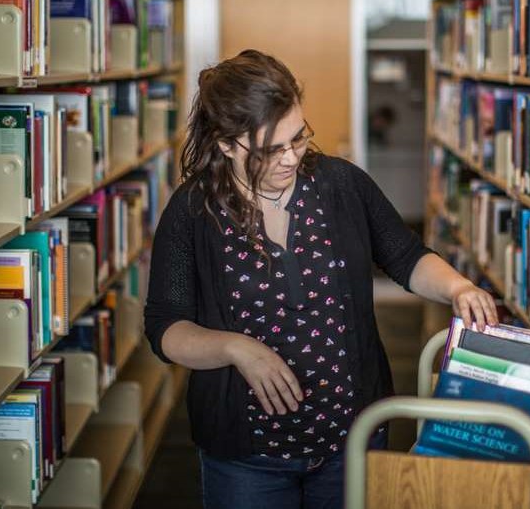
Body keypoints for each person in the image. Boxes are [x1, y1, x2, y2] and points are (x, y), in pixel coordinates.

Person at [144, 49, 498, 509]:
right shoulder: (192, 212)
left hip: (352, 439)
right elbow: (165, 327)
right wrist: (235, 348)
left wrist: (458, 287)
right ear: (227, 143)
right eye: (272, 149)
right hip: (246, 458)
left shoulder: (341, 185)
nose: (291, 157)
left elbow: (406, 256)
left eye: (298, 137)